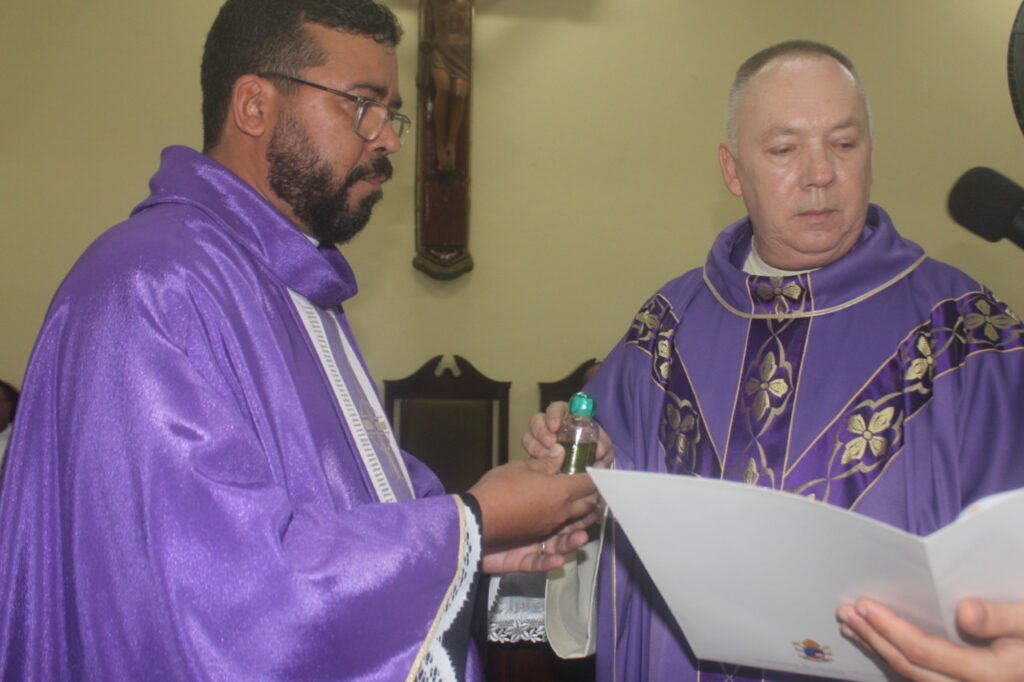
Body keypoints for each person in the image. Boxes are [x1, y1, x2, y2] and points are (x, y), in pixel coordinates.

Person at [0, 1, 599, 679]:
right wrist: (470, 522)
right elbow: (225, 595)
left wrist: (480, 541)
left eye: (394, 113)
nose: (392, 139)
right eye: (362, 105)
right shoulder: (151, 286)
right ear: (254, 106)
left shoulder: (289, 281)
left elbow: (340, 500)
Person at [526, 40, 1024, 682]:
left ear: (872, 154)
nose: (819, 173)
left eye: (844, 145)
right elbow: (594, 514)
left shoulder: (967, 332)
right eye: (785, 149)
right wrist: (580, 471)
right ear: (733, 172)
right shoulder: (666, 330)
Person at [422, 0, 471, 172]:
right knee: (443, 88)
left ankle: (451, 143)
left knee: (459, 93)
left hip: (461, 49)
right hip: (440, 47)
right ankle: (440, 145)